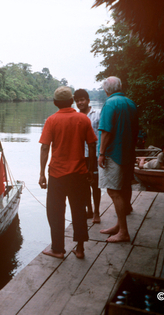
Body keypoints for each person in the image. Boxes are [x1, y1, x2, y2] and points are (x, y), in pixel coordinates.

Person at [39, 86, 97, 260]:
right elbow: (93, 145)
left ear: (56, 103)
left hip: (57, 174)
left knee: (55, 211)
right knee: (79, 211)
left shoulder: (51, 120)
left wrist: (41, 173)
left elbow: (44, 147)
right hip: (79, 173)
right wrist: (91, 169)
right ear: (72, 101)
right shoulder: (83, 119)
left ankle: (58, 249)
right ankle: (79, 249)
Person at [97, 77, 138, 243]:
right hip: (128, 153)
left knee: (114, 191)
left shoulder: (109, 103)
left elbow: (106, 131)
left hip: (113, 153)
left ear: (107, 90)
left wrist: (101, 153)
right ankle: (119, 226)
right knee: (124, 186)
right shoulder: (130, 103)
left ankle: (124, 232)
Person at [74, 88, 101, 224]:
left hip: (95, 155)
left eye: (82, 100)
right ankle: (88, 210)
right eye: (77, 101)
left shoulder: (98, 115)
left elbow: (103, 134)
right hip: (81, 156)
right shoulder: (76, 117)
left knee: (95, 185)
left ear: (88, 100)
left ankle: (97, 212)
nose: (80, 102)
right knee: (83, 186)